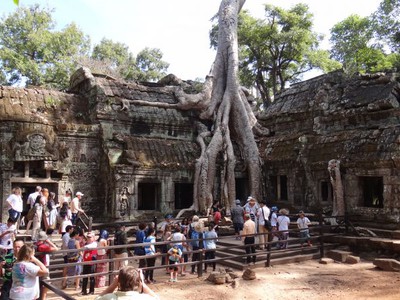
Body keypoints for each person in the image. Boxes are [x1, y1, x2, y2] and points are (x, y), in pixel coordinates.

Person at [35, 231, 59, 300]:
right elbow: (56, 249)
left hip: (37, 266)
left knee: (39, 283)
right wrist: (49, 242)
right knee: (46, 282)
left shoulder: (35, 244)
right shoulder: (43, 246)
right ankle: (43, 298)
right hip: (43, 267)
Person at [61, 225, 74, 289]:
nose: (73, 230)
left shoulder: (66, 236)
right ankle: (64, 282)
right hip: (66, 253)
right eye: (72, 229)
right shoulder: (66, 236)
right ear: (69, 229)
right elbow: (66, 245)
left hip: (67, 253)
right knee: (66, 267)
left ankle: (64, 282)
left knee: (67, 267)